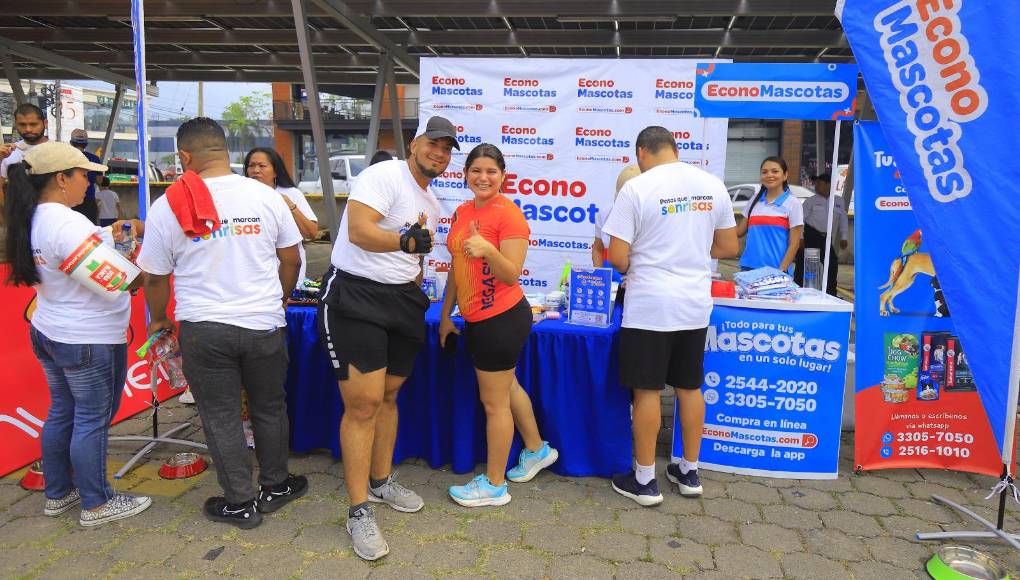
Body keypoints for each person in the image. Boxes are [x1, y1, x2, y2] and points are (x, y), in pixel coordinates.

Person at [137, 117, 307, 530]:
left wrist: (159, 317)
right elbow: (293, 259)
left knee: (221, 414)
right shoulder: (265, 196)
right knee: (269, 406)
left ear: (184, 156)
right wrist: (279, 300)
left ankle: (239, 503)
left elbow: (155, 276)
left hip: (204, 328)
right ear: (225, 150)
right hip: (263, 322)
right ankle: (276, 485)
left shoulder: (168, 204)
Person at [317, 115, 455, 561]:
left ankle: (381, 482)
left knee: (390, 396)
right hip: (356, 295)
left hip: (402, 302)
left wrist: (414, 275)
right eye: (433, 144)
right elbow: (358, 231)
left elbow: (414, 258)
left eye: (447, 148)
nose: (439, 153)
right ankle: (358, 510)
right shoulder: (385, 174)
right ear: (414, 145)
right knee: (363, 405)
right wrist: (405, 243)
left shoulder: (432, 202)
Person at [3, 141, 151, 526]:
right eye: (84, 174)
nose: (89, 182)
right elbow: (117, 280)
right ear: (61, 178)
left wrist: (114, 236)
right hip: (88, 337)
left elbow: (82, 255)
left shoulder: (36, 217)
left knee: (64, 412)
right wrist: (151, 268)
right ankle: (97, 502)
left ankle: (58, 493)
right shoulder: (64, 223)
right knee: (92, 418)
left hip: (53, 328)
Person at [602, 126, 738, 506]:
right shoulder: (711, 184)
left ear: (642, 152)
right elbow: (728, 245)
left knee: (647, 390)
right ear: (675, 149)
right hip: (694, 302)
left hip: (650, 303)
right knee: (689, 386)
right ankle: (689, 471)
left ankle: (644, 479)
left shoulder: (637, 188)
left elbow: (616, 257)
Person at [439, 144, 559, 508]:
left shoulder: (509, 216)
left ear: (503, 176)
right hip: (475, 319)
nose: (483, 177)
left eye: (491, 171)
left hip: (501, 319)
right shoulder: (462, 211)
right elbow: (458, 270)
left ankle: (494, 485)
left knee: (494, 404)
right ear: (466, 175)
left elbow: (510, 274)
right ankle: (537, 450)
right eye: (476, 170)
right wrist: (447, 315)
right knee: (507, 389)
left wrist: (488, 250)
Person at [244, 147, 319, 286]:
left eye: (262, 166)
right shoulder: (241, 197)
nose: (256, 170)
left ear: (275, 171)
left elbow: (311, 233)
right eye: (251, 166)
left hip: (287, 276)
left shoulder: (292, 194)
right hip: (254, 275)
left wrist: (289, 205)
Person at [736, 156, 804, 275]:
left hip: (775, 271)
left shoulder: (793, 203)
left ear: (785, 175)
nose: (769, 175)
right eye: (764, 172)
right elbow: (739, 231)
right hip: (748, 269)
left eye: (775, 171)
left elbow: (795, 243)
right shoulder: (754, 200)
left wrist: (781, 270)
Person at [795, 173, 848, 296]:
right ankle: (799, 289)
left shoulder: (839, 201)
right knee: (804, 264)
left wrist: (844, 237)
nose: (816, 186)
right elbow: (800, 220)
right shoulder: (810, 201)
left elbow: (843, 219)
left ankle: (830, 292)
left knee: (831, 263)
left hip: (827, 237)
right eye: (816, 184)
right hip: (810, 235)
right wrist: (801, 238)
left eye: (820, 184)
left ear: (828, 185)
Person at [1, 103, 50, 199]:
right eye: (22, 124)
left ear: (45, 123)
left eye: (33, 124)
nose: (28, 129)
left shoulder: (59, 151)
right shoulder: (8, 153)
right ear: (16, 124)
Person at [69, 128, 101, 224]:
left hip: (69, 199)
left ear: (71, 142)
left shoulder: (66, 157)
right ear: (86, 143)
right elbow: (99, 181)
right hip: (89, 200)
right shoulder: (94, 159)